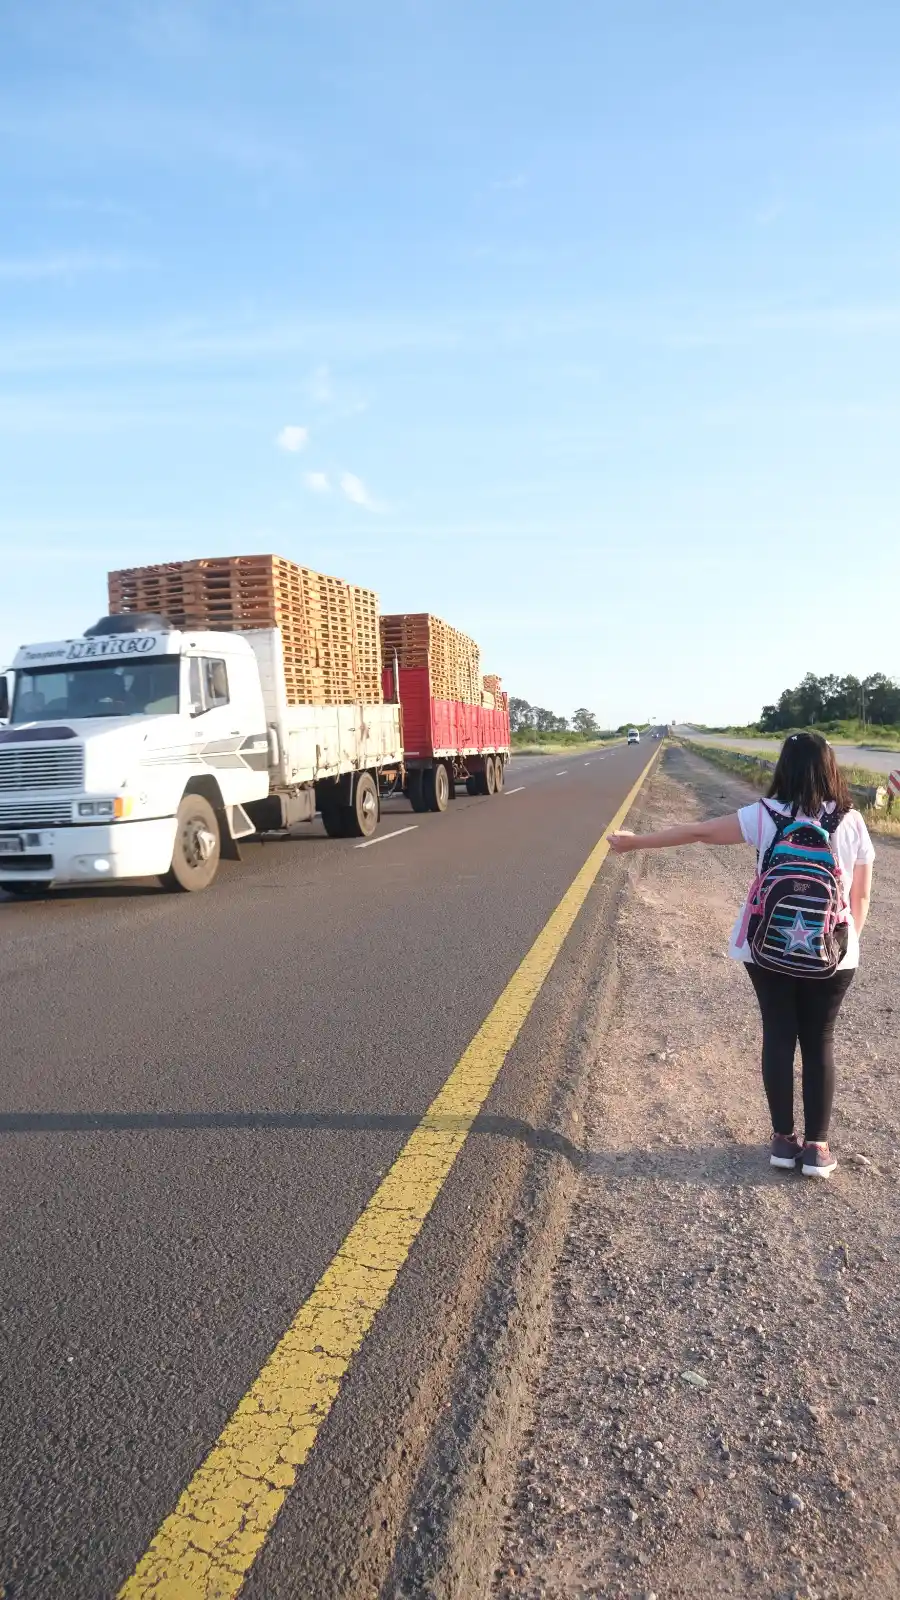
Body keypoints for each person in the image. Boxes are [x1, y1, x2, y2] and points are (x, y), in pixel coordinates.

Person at [608, 733, 875, 1179]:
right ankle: (817, 1149)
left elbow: (698, 832)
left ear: (784, 767)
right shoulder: (852, 821)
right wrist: (843, 949)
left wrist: (634, 843)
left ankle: (783, 1141)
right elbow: (861, 897)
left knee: (779, 1035)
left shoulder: (765, 815)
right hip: (833, 953)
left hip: (765, 946)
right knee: (819, 1042)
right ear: (830, 767)